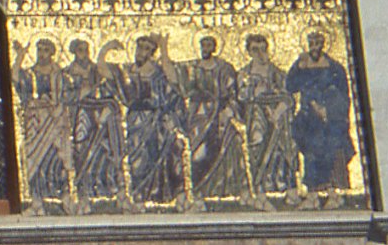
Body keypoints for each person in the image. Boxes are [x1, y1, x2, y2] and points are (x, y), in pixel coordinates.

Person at [117, 35, 187, 203]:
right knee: (137, 158)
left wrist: (164, 49)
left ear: (151, 53)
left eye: (146, 48)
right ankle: (138, 196)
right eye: (139, 47)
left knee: (162, 154)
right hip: (136, 121)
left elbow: (174, 84)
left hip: (156, 120)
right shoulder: (128, 71)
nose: (141, 51)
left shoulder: (157, 72)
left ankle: (165, 195)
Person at [182, 35, 247, 200]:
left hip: (220, 114)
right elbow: (185, 90)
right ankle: (199, 192)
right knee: (199, 152)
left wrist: (229, 111)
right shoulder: (193, 68)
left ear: (215, 47)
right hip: (200, 116)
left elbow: (233, 93)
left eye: (209, 45)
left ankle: (231, 189)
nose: (205, 48)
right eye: (203, 45)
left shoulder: (224, 68)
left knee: (233, 141)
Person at [287, 32, 354, 190]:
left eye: (318, 43)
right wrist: (297, 67)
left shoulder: (334, 68)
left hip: (331, 118)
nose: (315, 48)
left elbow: (343, 95)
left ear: (323, 45)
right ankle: (314, 190)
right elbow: (290, 86)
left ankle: (336, 187)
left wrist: (328, 110)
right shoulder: (303, 66)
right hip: (309, 118)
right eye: (311, 44)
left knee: (334, 146)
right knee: (311, 148)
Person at [236, 34, 297, 197]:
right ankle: (258, 187)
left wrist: (277, 112)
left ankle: (279, 185)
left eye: (263, 49)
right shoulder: (244, 74)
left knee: (281, 149)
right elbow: (240, 97)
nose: (260, 54)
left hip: (278, 119)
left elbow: (288, 97)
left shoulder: (278, 73)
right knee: (257, 142)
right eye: (255, 50)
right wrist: (253, 92)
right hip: (255, 117)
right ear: (249, 52)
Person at [62, 38, 123, 201]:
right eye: (81, 50)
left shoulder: (96, 70)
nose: (85, 54)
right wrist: (82, 92)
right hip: (80, 113)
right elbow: (65, 96)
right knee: (81, 147)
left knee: (102, 148)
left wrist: (104, 50)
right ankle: (83, 189)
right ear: (74, 52)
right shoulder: (67, 73)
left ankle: (102, 187)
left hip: (98, 113)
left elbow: (109, 85)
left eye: (86, 50)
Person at [14, 38, 72, 203]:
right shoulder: (31, 74)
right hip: (36, 122)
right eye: (39, 50)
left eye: (46, 50)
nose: (42, 54)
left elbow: (67, 96)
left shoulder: (59, 75)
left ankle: (64, 197)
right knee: (35, 160)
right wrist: (20, 56)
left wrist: (56, 106)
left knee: (56, 159)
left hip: (54, 121)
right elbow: (15, 79)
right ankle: (37, 200)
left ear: (52, 53)